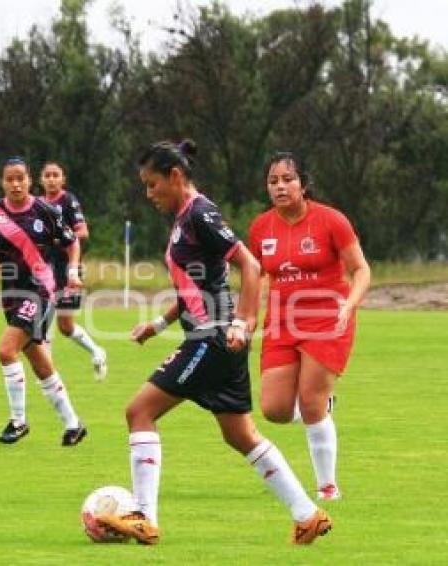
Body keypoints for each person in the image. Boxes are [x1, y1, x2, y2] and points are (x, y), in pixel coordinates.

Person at [93, 140, 331, 545]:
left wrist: (244, 322)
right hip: (215, 337)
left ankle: (144, 518)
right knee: (240, 435)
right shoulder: (184, 217)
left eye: (152, 185)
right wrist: (160, 321)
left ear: (175, 176)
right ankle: (307, 514)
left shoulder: (200, 213)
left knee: (139, 412)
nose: (149, 195)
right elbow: (198, 284)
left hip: (214, 337)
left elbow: (250, 265)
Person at [248, 152, 371, 501]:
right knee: (274, 409)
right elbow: (254, 275)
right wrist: (248, 317)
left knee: (312, 403)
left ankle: (327, 487)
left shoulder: (331, 220)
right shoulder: (260, 227)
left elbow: (361, 269)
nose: (280, 187)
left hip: (327, 319)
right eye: (273, 181)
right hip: (282, 321)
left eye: (288, 179)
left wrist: (349, 304)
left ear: (303, 184)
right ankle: (319, 407)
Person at [0, 157, 87, 446]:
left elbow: (72, 241)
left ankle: (18, 421)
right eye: (9, 179)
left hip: (41, 290)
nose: (15, 184)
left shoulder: (45, 211)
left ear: (28, 181)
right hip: (11, 295)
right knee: (39, 362)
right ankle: (73, 424)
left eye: (20, 178)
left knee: (5, 351)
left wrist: (72, 271)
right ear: (2, 182)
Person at [38, 161, 107, 380]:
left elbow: (83, 232)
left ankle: (97, 352)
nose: (51, 179)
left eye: (55, 175)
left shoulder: (68, 201)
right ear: (41, 180)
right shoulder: (37, 204)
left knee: (65, 327)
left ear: (62, 179)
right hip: (45, 269)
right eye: (47, 175)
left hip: (69, 270)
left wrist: (58, 240)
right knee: (42, 320)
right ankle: (47, 372)